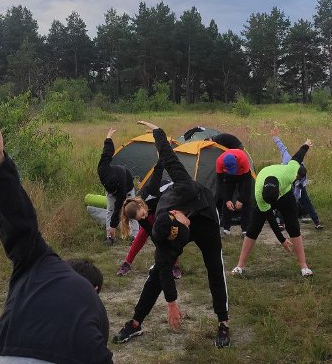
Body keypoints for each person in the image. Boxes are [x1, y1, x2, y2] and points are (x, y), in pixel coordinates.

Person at [0, 108, 112, 364]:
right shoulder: (94, 305)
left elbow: (19, 222)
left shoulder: (39, 265)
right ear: (95, 289)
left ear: (64, 265)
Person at [113, 120, 231, 348]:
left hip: (206, 216)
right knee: (157, 272)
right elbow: (164, 268)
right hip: (176, 228)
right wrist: (172, 302)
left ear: (177, 214)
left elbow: (169, 158)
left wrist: (158, 133)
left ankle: (223, 324)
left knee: (215, 267)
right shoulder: (163, 234)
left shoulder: (184, 187)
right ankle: (136, 323)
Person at [231, 137, 314, 277]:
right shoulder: (259, 194)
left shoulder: (289, 173)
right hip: (267, 189)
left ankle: (304, 266)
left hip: (285, 193)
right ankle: (240, 266)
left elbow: (297, 157)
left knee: (293, 226)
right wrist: (282, 240)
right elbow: (270, 218)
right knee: (253, 228)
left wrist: (306, 145)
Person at [115, 161, 182, 280]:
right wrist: (160, 246)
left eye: (142, 215)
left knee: (171, 234)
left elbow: (158, 170)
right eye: (140, 219)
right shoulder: (140, 214)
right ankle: (127, 263)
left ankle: (174, 265)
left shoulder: (153, 190)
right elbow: (153, 234)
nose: (143, 218)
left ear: (141, 205)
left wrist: (163, 156)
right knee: (143, 233)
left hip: (170, 201)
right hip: (154, 210)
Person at [271, 127, 323, 230]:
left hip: (298, 185)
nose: (297, 177)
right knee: (282, 200)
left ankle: (317, 222)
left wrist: (295, 199)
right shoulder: (287, 159)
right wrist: (275, 137)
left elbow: (297, 194)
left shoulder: (302, 174)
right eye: (297, 176)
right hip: (286, 181)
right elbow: (282, 147)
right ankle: (281, 222)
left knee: (306, 202)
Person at [97, 128, 138, 246]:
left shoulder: (122, 186)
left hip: (127, 188)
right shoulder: (102, 169)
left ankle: (135, 236)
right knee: (109, 210)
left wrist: (114, 225)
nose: (112, 193)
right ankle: (109, 237)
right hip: (116, 185)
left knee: (131, 210)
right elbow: (107, 152)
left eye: (113, 191)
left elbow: (118, 207)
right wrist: (108, 137)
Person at [215, 148, 254, 237]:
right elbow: (220, 183)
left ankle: (245, 229)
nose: (233, 172)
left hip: (243, 176)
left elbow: (247, 184)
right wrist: (227, 200)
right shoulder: (219, 162)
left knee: (246, 201)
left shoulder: (243, 158)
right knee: (226, 202)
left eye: (233, 169)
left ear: (236, 161)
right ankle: (226, 228)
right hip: (229, 177)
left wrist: (241, 199)